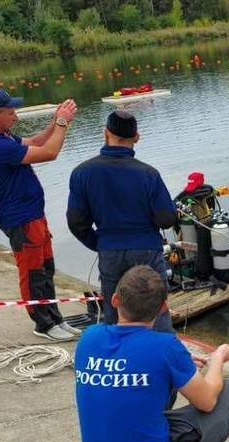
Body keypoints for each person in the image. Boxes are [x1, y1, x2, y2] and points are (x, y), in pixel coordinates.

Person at [74, 265, 229, 442]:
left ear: (115, 299)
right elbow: (207, 401)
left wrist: (177, 369)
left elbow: (133, 369)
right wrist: (218, 358)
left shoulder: (89, 337)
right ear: (164, 307)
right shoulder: (164, 346)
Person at [0, 88, 79, 341]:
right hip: (19, 216)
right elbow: (49, 153)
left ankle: (55, 318)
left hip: (33, 212)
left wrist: (55, 122)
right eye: (11, 112)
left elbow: (35, 142)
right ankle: (43, 324)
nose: (16, 117)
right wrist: (62, 123)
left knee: (46, 268)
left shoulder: (2, 136)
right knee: (32, 273)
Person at [67, 111, 177, 333]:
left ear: (105, 133)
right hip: (146, 250)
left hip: (110, 251)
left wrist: (99, 243)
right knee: (157, 312)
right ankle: (161, 359)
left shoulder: (82, 173)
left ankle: (119, 361)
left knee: (114, 313)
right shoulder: (149, 174)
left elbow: (76, 221)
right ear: (136, 137)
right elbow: (166, 219)